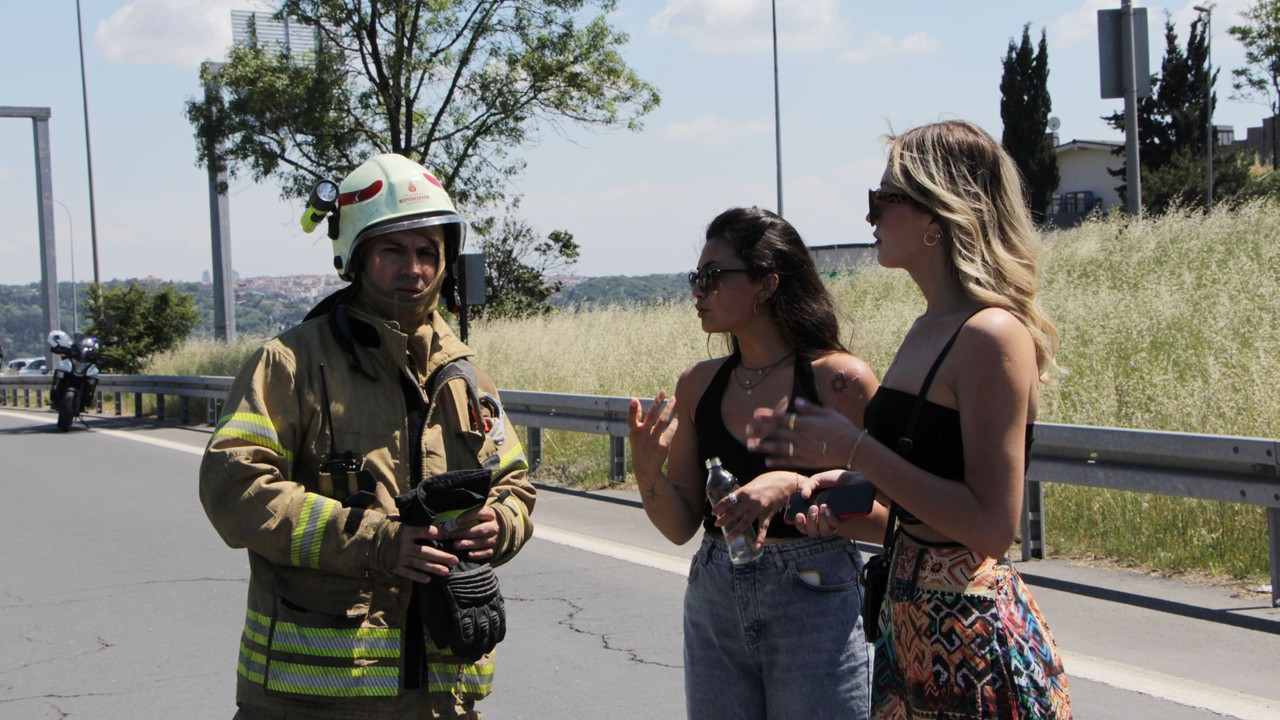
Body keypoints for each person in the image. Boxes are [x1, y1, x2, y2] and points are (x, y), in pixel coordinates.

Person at [746, 120, 1072, 719]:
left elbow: (992, 527)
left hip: (969, 643)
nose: (870, 218)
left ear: (936, 216)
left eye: (882, 199)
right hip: (909, 621)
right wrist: (848, 493)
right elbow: (924, 493)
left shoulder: (990, 333)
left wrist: (857, 452)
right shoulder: (930, 326)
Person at [199, 153, 535, 720]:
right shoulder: (290, 362)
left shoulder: (466, 374)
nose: (415, 268)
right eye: (393, 250)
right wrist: (376, 541)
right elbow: (235, 490)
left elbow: (515, 483)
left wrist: (500, 524)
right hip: (312, 700)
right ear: (355, 257)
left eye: (428, 251)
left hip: (441, 698)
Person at [627, 206, 881, 720]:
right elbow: (680, 528)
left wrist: (794, 489)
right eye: (696, 276)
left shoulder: (839, 381)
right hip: (716, 595)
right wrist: (645, 470)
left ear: (766, 284)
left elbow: (893, 518)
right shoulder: (697, 383)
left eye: (713, 276)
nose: (697, 290)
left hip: (815, 594)